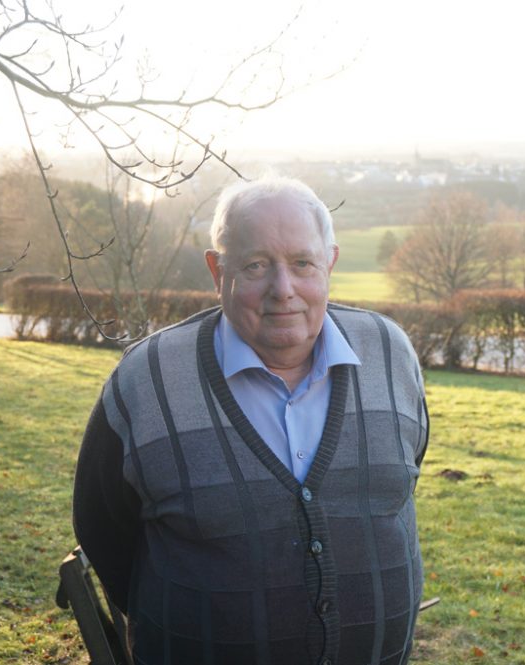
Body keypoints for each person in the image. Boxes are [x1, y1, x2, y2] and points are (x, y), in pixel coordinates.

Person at [73, 176, 429, 665]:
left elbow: (403, 477)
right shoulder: (146, 380)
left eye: (302, 263)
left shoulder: (390, 353)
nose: (283, 290)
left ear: (330, 262)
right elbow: (103, 527)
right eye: (256, 266)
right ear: (218, 272)